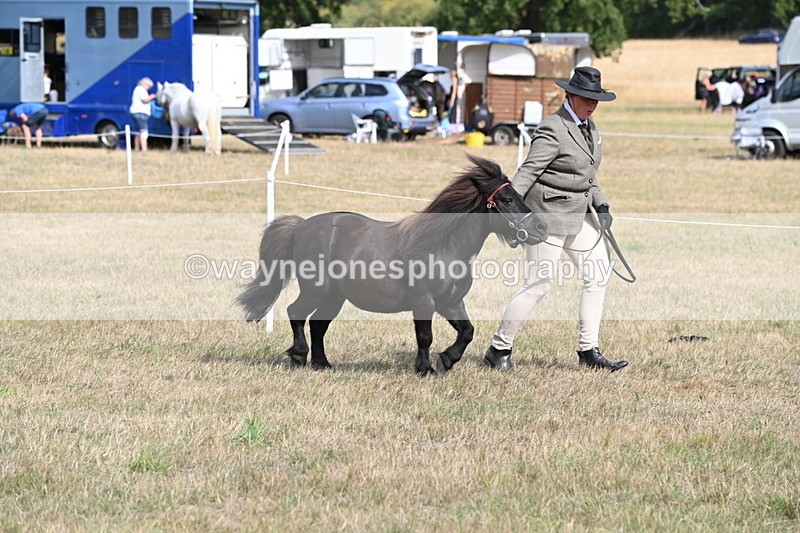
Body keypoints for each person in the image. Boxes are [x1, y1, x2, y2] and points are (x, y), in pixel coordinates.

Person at [483, 66, 629, 373]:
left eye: (596, 99)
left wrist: (601, 205)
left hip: (576, 215)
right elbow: (529, 172)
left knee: (598, 273)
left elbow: (588, 175)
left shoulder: (589, 127)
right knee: (539, 284)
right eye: (587, 98)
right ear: (571, 95)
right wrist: (509, 210)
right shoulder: (552, 128)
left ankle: (588, 350)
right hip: (545, 218)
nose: (592, 104)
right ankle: (499, 348)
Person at [129, 77, 157, 151]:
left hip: (136, 112)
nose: (149, 88)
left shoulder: (138, 89)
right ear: (145, 84)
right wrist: (153, 96)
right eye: (148, 86)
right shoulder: (140, 89)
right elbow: (144, 100)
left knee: (138, 131)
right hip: (140, 113)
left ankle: (137, 147)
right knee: (144, 131)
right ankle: (144, 148)